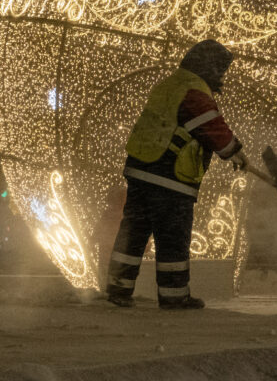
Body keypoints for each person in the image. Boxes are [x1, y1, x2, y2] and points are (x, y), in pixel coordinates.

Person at [106, 40, 247, 310]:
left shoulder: (169, 85)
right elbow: (210, 126)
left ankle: (118, 289)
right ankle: (174, 295)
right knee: (172, 237)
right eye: (221, 70)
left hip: (140, 170)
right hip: (169, 176)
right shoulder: (193, 90)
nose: (222, 77)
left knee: (133, 232)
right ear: (209, 67)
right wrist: (234, 151)